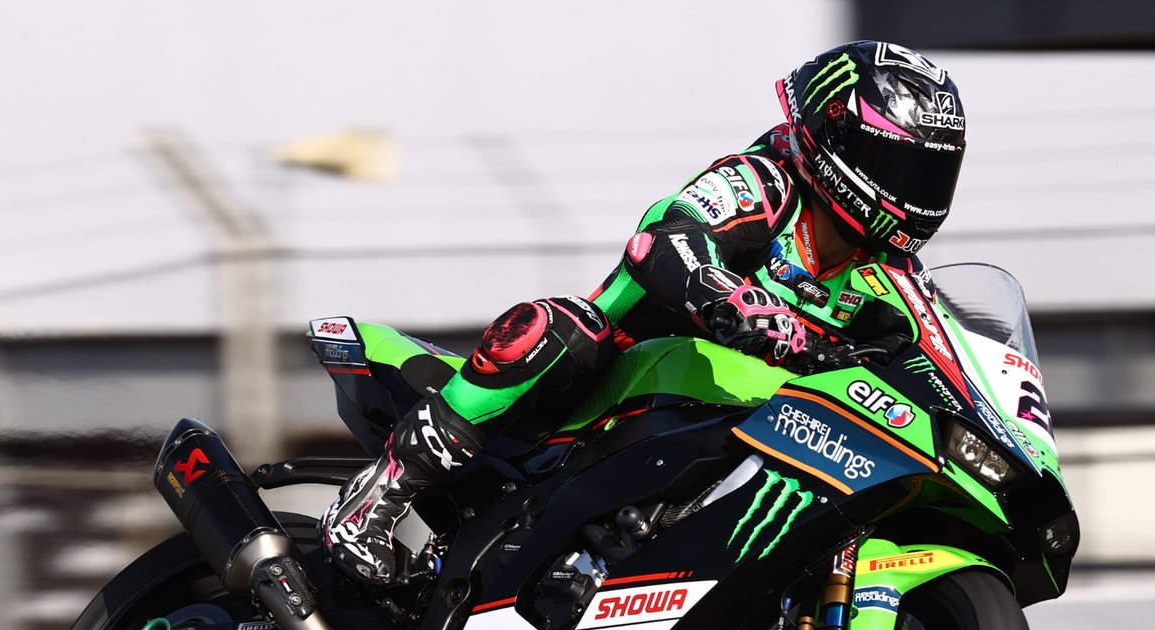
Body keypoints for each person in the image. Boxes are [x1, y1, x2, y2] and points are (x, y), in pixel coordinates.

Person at [321, 40, 968, 585]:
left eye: (931, 174)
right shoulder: (765, 183)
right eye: (903, 166)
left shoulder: (892, 278)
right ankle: (377, 499)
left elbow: (943, 362)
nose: (915, 191)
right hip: (604, 394)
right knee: (564, 327)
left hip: (750, 429)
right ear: (835, 134)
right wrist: (735, 302)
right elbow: (666, 240)